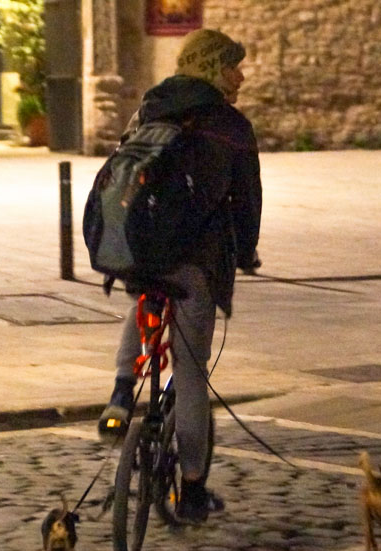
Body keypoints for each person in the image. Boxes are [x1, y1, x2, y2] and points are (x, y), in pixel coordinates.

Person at [96, 28, 263, 523]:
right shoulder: (231, 126)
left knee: (146, 296)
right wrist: (247, 252)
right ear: (214, 67)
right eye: (233, 64)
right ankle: (191, 489)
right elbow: (247, 203)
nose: (241, 74)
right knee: (190, 376)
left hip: (141, 248)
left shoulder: (151, 104)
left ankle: (122, 393)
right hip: (198, 262)